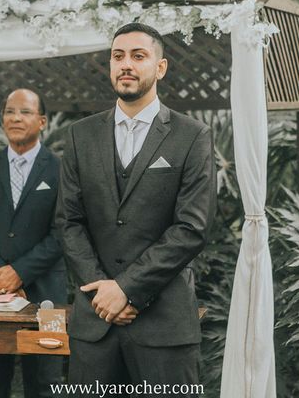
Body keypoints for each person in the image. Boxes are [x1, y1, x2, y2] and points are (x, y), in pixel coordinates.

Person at [57, 22, 217, 395]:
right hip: (96, 324)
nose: (125, 64)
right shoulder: (80, 136)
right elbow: (69, 221)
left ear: (160, 68)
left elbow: (191, 228)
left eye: (138, 56)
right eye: (118, 56)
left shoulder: (192, 136)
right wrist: (103, 295)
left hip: (164, 326)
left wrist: (127, 289)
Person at [0, 88, 66, 398]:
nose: (15, 117)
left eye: (25, 112)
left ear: (42, 121)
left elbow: (63, 231)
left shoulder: (60, 170)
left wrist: (19, 272)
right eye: (9, 111)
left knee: (45, 385)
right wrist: (0, 275)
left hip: (44, 292)